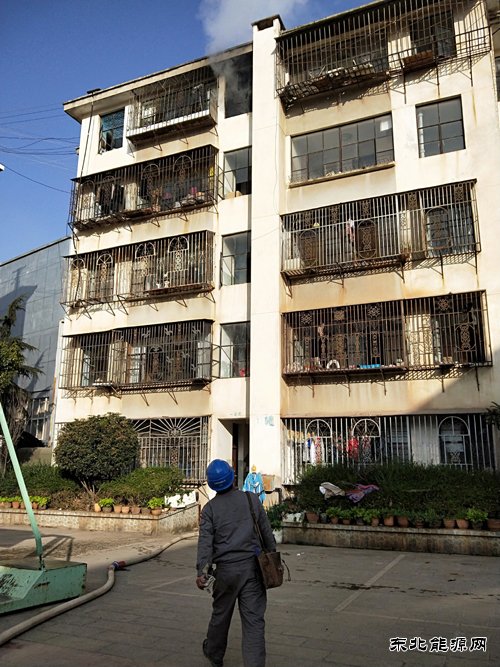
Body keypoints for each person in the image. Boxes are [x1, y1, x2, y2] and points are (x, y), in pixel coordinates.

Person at [196, 459, 276, 667]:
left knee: (220, 616)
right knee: (254, 622)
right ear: (232, 477)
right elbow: (266, 533)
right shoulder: (251, 500)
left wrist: (202, 572)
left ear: (211, 484)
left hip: (225, 574)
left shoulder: (210, 510)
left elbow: (205, 544)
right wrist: (272, 557)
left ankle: (214, 654)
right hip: (253, 570)